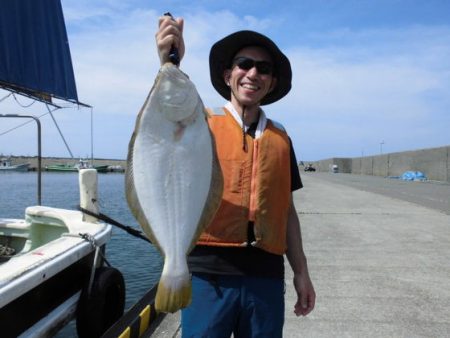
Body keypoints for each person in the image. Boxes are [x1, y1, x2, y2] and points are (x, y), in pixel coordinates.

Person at [156, 15, 315, 338]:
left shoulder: (281, 138)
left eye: (264, 69)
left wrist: (301, 272)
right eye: (244, 64)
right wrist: (169, 65)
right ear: (228, 75)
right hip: (206, 275)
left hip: (265, 279)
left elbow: (287, 211)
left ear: (271, 83)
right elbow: (164, 120)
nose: (253, 73)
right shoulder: (198, 124)